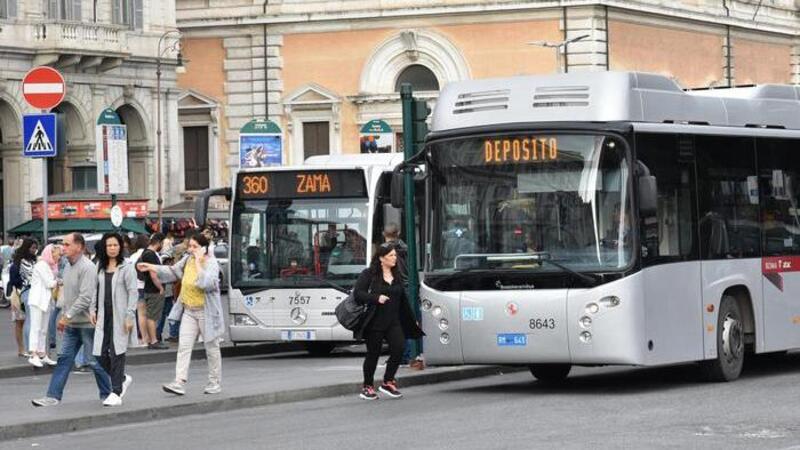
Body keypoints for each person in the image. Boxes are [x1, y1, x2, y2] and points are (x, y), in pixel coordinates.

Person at [137, 232, 224, 396]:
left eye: (195, 247)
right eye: (189, 246)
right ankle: (179, 382)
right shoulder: (187, 260)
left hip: (206, 311)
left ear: (204, 248)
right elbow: (172, 271)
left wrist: (199, 263)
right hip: (189, 310)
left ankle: (214, 382)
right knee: (184, 347)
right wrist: (151, 267)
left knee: (211, 347)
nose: (191, 250)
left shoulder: (211, 263)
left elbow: (207, 284)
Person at [32, 233, 111, 407]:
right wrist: (64, 314)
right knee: (64, 360)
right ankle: (53, 396)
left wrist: (66, 317)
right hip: (71, 324)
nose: (63, 247)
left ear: (79, 247)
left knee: (93, 362)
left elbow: (85, 297)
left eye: (67, 244)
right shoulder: (67, 266)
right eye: (63, 244)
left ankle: (110, 392)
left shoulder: (88, 267)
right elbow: (68, 294)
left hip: (87, 324)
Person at [352, 242, 423, 400]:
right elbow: (358, 294)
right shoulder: (369, 274)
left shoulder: (396, 274)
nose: (394, 259)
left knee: (399, 348)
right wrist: (376, 298)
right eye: (391, 256)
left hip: (394, 321)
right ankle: (367, 386)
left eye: (395, 256)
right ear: (381, 258)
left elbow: (403, 299)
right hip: (375, 321)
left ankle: (388, 382)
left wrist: (413, 320)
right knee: (373, 354)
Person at [92, 233, 137, 407]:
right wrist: (92, 310)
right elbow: (95, 289)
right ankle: (123, 378)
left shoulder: (127, 267)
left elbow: (133, 292)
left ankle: (116, 392)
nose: (112, 248)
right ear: (104, 247)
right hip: (104, 315)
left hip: (121, 316)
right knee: (99, 353)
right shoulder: (100, 266)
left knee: (117, 352)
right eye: (109, 245)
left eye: (115, 245)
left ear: (121, 247)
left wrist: (129, 315)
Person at [27, 244, 61, 367]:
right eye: (57, 254)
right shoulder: (42, 265)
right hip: (37, 300)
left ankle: (41, 353)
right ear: (50, 253)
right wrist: (59, 281)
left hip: (45, 301)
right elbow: (49, 283)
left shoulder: (50, 266)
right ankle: (33, 354)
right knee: (36, 328)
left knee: (43, 329)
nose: (59, 256)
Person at [9, 238, 37, 357]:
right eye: (32, 248)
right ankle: (21, 349)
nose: (34, 250)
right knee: (20, 322)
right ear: (26, 247)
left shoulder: (34, 261)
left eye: (36, 248)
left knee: (28, 321)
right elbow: (13, 280)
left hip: (31, 294)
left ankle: (28, 347)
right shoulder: (17, 263)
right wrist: (24, 283)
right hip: (18, 295)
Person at [141, 233, 167, 350]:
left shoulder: (145, 253)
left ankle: (152, 340)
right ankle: (154, 341)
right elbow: (153, 274)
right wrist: (160, 287)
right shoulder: (150, 255)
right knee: (152, 316)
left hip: (148, 288)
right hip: (153, 290)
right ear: (159, 242)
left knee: (150, 315)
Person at [129, 234, 150, 346]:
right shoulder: (149, 254)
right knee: (149, 314)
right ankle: (151, 337)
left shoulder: (132, 257)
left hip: (136, 286)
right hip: (148, 287)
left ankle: (142, 338)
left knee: (139, 314)